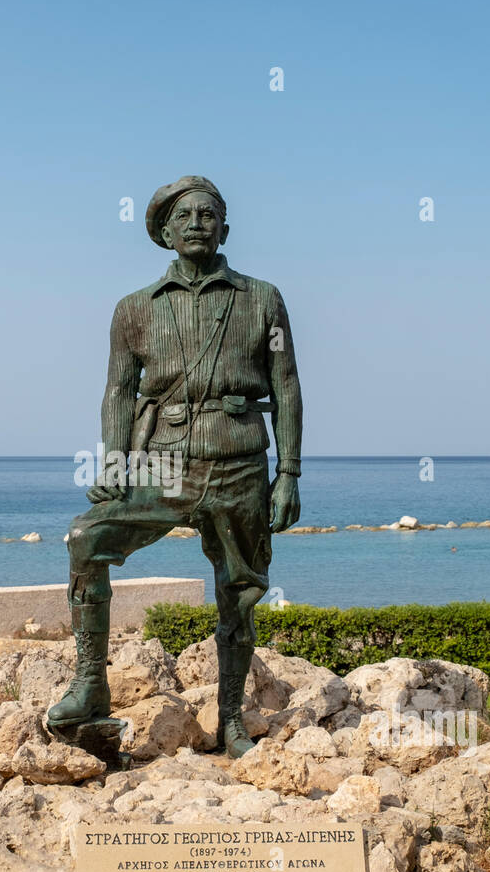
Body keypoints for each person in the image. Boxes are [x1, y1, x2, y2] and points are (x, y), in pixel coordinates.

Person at [48, 175, 303, 758]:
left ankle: (233, 719)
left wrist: (288, 473)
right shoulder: (135, 309)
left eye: (208, 213)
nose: (196, 222)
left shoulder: (263, 298)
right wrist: (113, 461)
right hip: (165, 464)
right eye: (183, 215)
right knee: (87, 539)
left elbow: (286, 388)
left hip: (240, 465)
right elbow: (117, 391)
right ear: (164, 233)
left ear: (225, 228)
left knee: (238, 594)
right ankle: (90, 685)